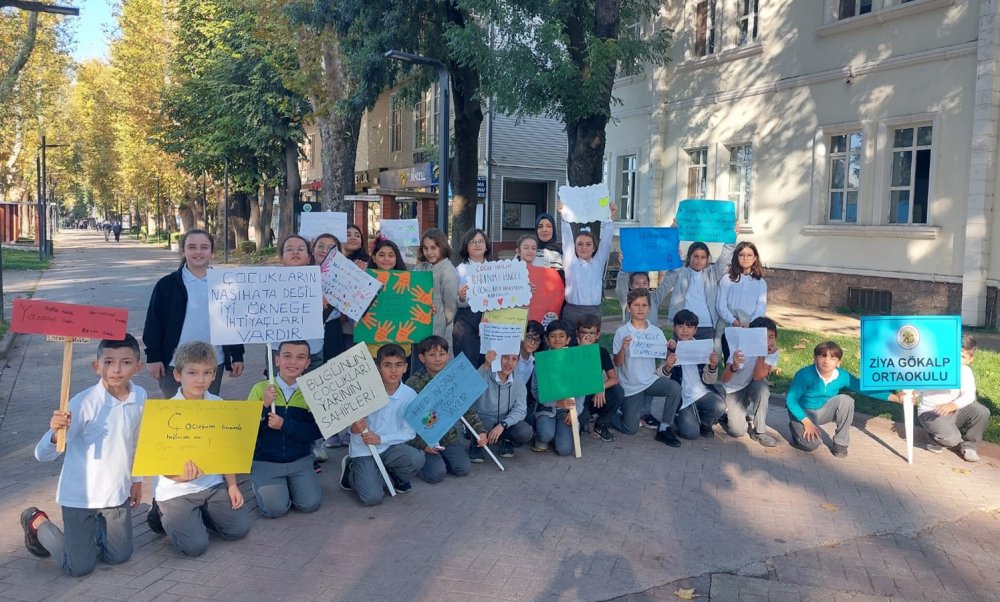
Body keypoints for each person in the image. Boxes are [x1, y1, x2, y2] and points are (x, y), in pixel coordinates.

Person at [20, 335, 146, 577]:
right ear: (96, 366)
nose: (116, 369)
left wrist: (136, 480)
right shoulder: (82, 404)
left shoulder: (139, 396)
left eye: (126, 362)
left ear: (138, 367)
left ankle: (96, 528)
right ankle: (37, 521)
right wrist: (55, 434)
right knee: (79, 567)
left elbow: (136, 441)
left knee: (119, 555)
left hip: (115, 494)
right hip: (80, 496)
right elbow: (42, 455)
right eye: (108, 362)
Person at [147, 342, 251, 556]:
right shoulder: (165, 410)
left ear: (214, 375)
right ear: (178, 375)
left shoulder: (218, 404)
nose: (200, 379)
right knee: (195, 547)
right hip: (175, 490)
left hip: (211, 484)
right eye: (192, 372)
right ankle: (159, 513)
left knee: (239, 529)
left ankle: (200, 515)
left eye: (207, 373)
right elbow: (157, 459)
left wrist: (232, 485)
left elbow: (226, 448)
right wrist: (179, 477)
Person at [143, 229, 245, 398]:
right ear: (183, 251)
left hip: (212, 361)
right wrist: (153, 357)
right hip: (174, 363)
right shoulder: (167, 285)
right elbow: (154, 323)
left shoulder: (225, 284)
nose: (198, 252)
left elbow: (233, 323)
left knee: (207, 411)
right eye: (192, 247)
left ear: (212, 251)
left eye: (204, 247)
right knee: (175, 411)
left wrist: (237, 355)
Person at [340, 344, 426, 504]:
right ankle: (351, 470)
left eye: (398, 365)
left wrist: (381, 439)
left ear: (405, 368)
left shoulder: (409, 395)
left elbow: (409, 432)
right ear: (378, 367)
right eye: (387, 365)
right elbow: (348, 424)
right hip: (364, 449)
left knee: (417, 459)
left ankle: (391, 473)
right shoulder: (364, 391)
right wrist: (354, 428)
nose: (393, 370)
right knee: (372, 498)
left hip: (390, 447)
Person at [247, 340, 323, 517]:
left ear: (307, 363)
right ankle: (262, 481)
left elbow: (315, 432)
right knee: (274, 510)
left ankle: (290, 484)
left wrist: (284, 425)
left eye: (300, 357)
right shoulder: (260, 389)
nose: (293, 362)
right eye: (287, 356)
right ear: (276, 360)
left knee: (310, 504)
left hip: (300, 459)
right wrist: (264, 406)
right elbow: (246, 428)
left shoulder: (312, 391)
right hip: (266, 461)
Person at [785, 341, 890, 458]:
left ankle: (841, 444)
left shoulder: (842, 375)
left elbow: (863, 388)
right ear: (814, 358)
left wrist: (896, 398)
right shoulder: (804, 374)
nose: (826, 361)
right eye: (823, 356)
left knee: (846, 400)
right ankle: (796, 430)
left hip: (823, 411)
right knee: (811, 445)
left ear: (839, 362)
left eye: (832, 358)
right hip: (802, 412)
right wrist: (807, 422)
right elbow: (791, 400)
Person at [406, 336, 488, 483]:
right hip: (424, 439)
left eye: (442, 354)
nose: (437, 359)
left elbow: (466, 408)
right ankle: (421, 458)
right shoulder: (413, 383)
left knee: (463, 468)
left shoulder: (454, 378)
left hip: (448, 437)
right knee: (436, 474)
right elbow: (408, 420)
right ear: (422, 358)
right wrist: (423, 445)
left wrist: (480, 431)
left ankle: (441, 459)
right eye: (432, 355)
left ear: (448, 356)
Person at [612, 289, 682, 445]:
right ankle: (607, 413)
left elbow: (664, 356)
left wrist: (671, 349)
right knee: (630, 429)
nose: (640, 309)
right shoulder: (622, 332)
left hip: (650, 381)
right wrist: (623, 348)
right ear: (629, 308)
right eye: (636, 305)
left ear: (649, 309)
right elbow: (617, 363)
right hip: (631, 386)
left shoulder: (656, 332)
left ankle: (664, 428)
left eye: (644, 305)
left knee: (674, 388)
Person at [915, 334, 990, 462]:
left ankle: (969, 447)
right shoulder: (935, 365)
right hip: (931, 412)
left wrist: (953, 405)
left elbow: (969, 395)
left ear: (970, 359)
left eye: (962, 357)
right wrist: (911, 393)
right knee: (952, 439)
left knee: (982, 412)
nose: (957, 359)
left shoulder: (965, 371)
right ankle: (934, 439)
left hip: (954, 410)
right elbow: (918, 384)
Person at [661, 310, 726, 440]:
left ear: (695, 330)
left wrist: (713, 366)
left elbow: (710, 380)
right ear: (674, 328)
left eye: (689, 327)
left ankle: (705, 422)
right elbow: (662, 378)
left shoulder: (703, 348)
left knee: (720, 406)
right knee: (691, 434)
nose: (685, 330)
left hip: (701, 392)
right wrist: (668, 365)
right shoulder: (670, 348)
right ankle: (678, 417)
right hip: (682, 397)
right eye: (680, 326)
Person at [716, 316, 780, 447]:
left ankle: (760, 432)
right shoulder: (740, 349)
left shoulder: (772, 351)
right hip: (734, 388)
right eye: (763, 337)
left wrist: (762, 355)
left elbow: (758, 377)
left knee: (763, 388)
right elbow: (724, 379)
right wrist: (734, 366)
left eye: (771, 337)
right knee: (737, 431)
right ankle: (727, 412)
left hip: (752, 383)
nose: (767, 342)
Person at [659, 241, 735, 341]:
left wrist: (731, 239)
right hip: (683, 327)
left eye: (703, 257)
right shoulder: (680, 272)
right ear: (689, 257)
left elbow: (725, 259)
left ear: (707, 259)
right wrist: (673, 248)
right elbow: (670, 265)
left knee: (706, 352)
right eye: (695, 256)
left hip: (707, 327)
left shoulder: (712, 273)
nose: (699, 260)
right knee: (681, 352)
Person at [559, 201, 615, 328]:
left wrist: (610, 219)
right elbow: (567, 239)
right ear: (575, 247)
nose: (584, 247)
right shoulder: (571, 262)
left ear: (594, 248)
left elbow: (606, 242)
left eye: (588, 244)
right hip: (572, 311)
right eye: (580, 244)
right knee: (571, 339)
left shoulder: (598, 263)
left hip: (593, 311)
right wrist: (563, 216)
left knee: (590, 340)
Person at [473, 350, 534, 460]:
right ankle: (476, 445)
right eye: (505, 357)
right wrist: (486, 365)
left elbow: (520, 409)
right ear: (497, 358)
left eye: (514, 359)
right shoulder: (485, 373)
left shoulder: (518, 382)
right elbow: (470, 385)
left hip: (504, 423)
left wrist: (503, 424)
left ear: (518, 361)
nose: (509, 363)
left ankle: (506, 441)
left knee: (525, 431)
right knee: (485, 423)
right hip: (484, 420)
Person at [531, 320, 580, 456]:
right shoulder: (542, 361)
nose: (557, 339)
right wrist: (555, 403)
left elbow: (582, 390)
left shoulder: (575, 360)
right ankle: (542, 436)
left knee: (564, 450)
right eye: (553, 336)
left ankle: (558, 435)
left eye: (561, 336)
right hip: (547, 409)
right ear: (547, 340)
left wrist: (575, 412)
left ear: (568, 339)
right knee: (545, 434)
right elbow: (536, 391)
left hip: (567, 411)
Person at [576, 314, 624, 443]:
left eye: (592, 333)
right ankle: (584, 420)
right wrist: (580, 351)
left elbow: (614, 378)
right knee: (577, 427)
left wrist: (601, 387)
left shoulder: (601, 352)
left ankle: (601, 424)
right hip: (577, 398)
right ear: (577, 333)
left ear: (598, 335)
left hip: (594, 397)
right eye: (583, 332)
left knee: (617, 391)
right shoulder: (571, 350)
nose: (587, 337)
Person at [717, 241, 767, 356]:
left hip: (750, 328)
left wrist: (749, 323)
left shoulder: (760, 283)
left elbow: (761, 308)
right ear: (736, 257)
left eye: (749, 255)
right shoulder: (727, 279)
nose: (745, 258)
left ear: (755, 258)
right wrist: (733, 321)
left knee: (747, 360)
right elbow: (720, 305)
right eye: (741, 255)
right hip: (730, 327)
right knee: (730, 360)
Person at [414, 228, 458, 343]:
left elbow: (450, 307)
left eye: (433, 248)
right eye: (425, 248)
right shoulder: (423, 267)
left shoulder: (447, 271)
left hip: (437, 328)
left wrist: (442, 323)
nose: (429, 252)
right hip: (418, 324)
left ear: (442, 247)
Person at [454, 229, 489, 367]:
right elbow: (453, 301)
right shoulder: (459, 270)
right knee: (467, 364)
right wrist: (461, 298)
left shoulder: (497, 269)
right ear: (466, 246)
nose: (477, 244)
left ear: (486, 246)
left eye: (481, 241)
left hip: (491, 318)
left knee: (487, 363)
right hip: (466, 320)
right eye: (473, 242)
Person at [341, 224, 371, 349]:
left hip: (361, 327)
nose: (353, 238)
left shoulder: (369, 263)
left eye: (357, 235)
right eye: (348, 235)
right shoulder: (331, 262)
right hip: (338, 328)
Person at [615, 260, 670, 326]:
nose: (641, 286)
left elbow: (667, 283)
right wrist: (623, 266)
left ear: (649, 285)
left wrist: (674, 263)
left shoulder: (654, 298)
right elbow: (621, 285)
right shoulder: (627, 299)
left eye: (644, 283)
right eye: (637, 283)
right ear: (630, 285)